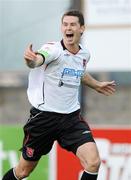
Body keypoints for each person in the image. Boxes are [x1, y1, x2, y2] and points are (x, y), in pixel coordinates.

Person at [2, 10, 116, 180]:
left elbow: (78, 72)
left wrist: (97, 84)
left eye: (72, 24)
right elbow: (37, 60)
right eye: (65, 24)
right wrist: (30, 60)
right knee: (23, 171)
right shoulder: (52, 49)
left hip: (71, 119)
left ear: (82, 28)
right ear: (61, 28)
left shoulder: (84, 54)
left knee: (93, 162)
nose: (68, 28)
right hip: (44, 119)